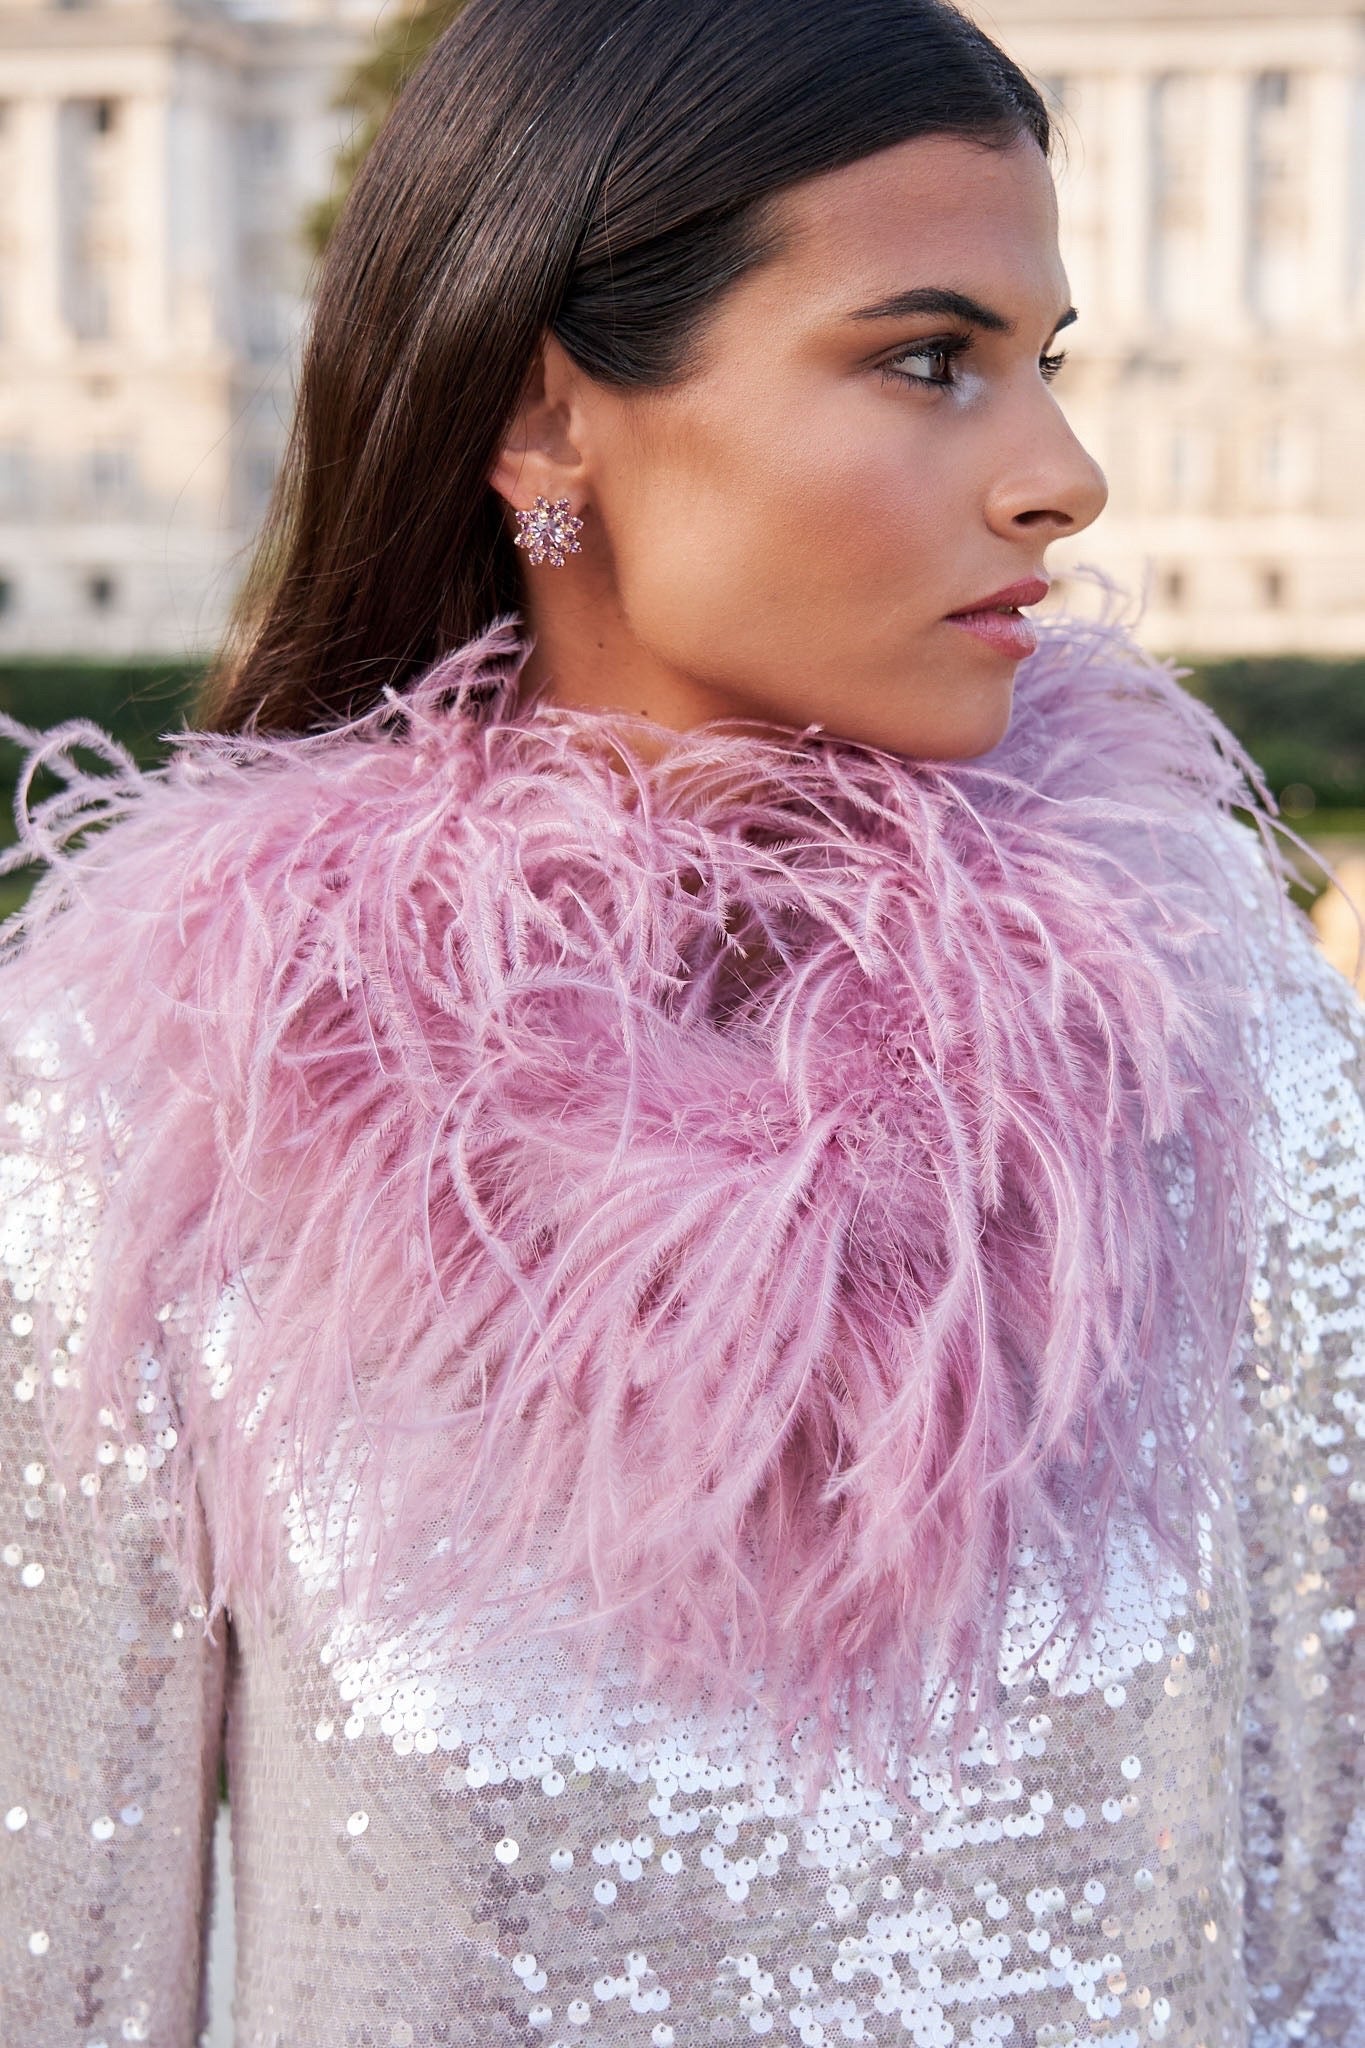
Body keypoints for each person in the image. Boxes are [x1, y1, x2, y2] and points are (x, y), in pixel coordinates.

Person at [2, 0, 1363, 2042]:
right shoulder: (168, 1091)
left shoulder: (1203, 1041)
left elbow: (1323, 1907)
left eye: (1040, 368)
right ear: (548, 418)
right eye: (928, 360)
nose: (1062, 477)